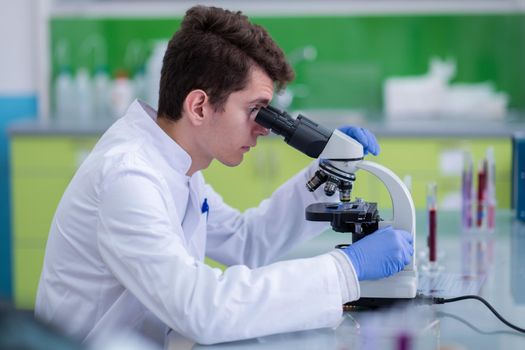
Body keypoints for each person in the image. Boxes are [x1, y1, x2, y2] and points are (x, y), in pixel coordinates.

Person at [35, 5, 413, 346]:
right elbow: (201, 308)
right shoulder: (128, 177)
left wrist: (327, 173)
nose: (265, 128)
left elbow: (246, 242)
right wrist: (347, 268)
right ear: (199, 105)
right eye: (256, 110)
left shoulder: (176, 164)